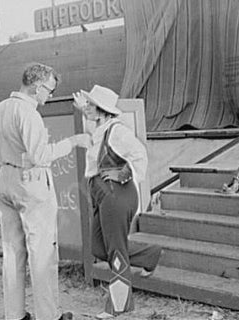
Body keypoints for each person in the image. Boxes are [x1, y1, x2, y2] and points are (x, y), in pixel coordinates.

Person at [0, 63, 90, 320]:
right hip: (30, 181)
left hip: (4, 176)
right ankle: (48, 315)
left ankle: (14, 315)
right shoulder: (29, 113)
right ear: (37, 87)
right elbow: (40, 156)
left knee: (12, 251)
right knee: (43, 251)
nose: (50, 95)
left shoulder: (1, 108)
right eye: (49, 89)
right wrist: (72, 142)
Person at [73, 85, 162, 319]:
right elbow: (93, 141)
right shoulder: (101, 127)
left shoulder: (117, 131)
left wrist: (125, 173)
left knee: (115, 251)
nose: (86, 107)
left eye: (91, 105)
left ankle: (118, 307)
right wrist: (84, 111)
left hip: (116, 195)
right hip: (103, 194)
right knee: (98, 247)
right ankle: (149, 255)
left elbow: (139, 154)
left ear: (102, 110)